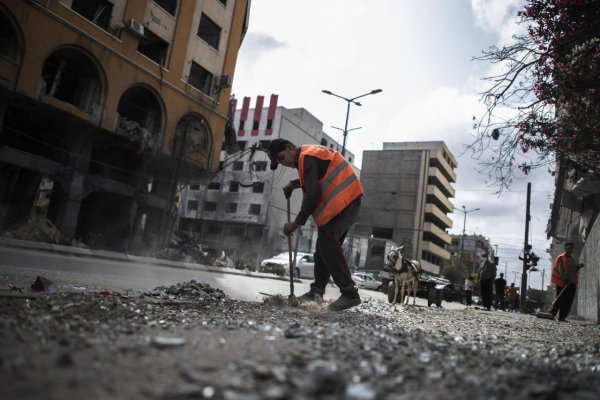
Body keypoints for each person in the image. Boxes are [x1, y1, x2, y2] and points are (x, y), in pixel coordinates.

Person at [266, 139, 363, 311]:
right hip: (347, 200)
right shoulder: (307, 156)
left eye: (281, 157)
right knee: (323, 249)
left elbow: (312, 193)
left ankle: (350, 293)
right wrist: (294, 184)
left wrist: (296, 223)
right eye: (279, 162)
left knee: (328, 244)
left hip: (344, 201)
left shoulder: (306, 157)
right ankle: (317, 292)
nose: (283, 163)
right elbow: (315, 179)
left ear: (289, 147)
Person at [549, 241, 584, 322]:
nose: (569, 249)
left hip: (572, 283)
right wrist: (565, 279)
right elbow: (560, 270)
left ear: (572, 249)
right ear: (565, 248)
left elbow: (573, 270)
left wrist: (578, 267)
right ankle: (552, 314)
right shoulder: (561, 257)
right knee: (559, 299)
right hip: (562, 283)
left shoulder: (572, 259)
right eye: (567, 248)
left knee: (568, 302)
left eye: (570, 248)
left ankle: (562, 317)